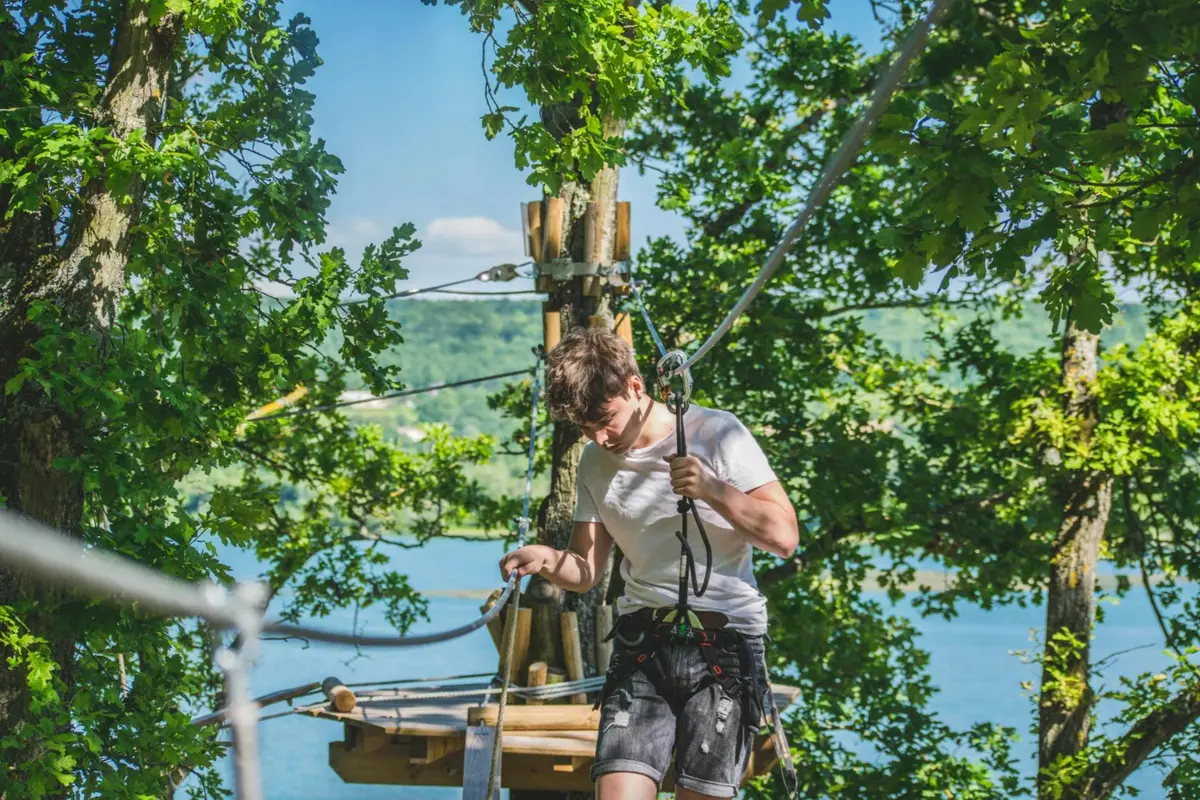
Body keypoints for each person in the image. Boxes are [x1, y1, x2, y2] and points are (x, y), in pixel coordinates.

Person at [499, 327, 799, 800]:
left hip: (725, 644)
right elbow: (585, 571)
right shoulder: (594, 462)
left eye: (605, 420)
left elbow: (784, 538)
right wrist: (548, 559)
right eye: (585, 428)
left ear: (635, 386)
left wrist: (712, 490)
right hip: (644, 642)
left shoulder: (716, 433)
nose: (599, 437)